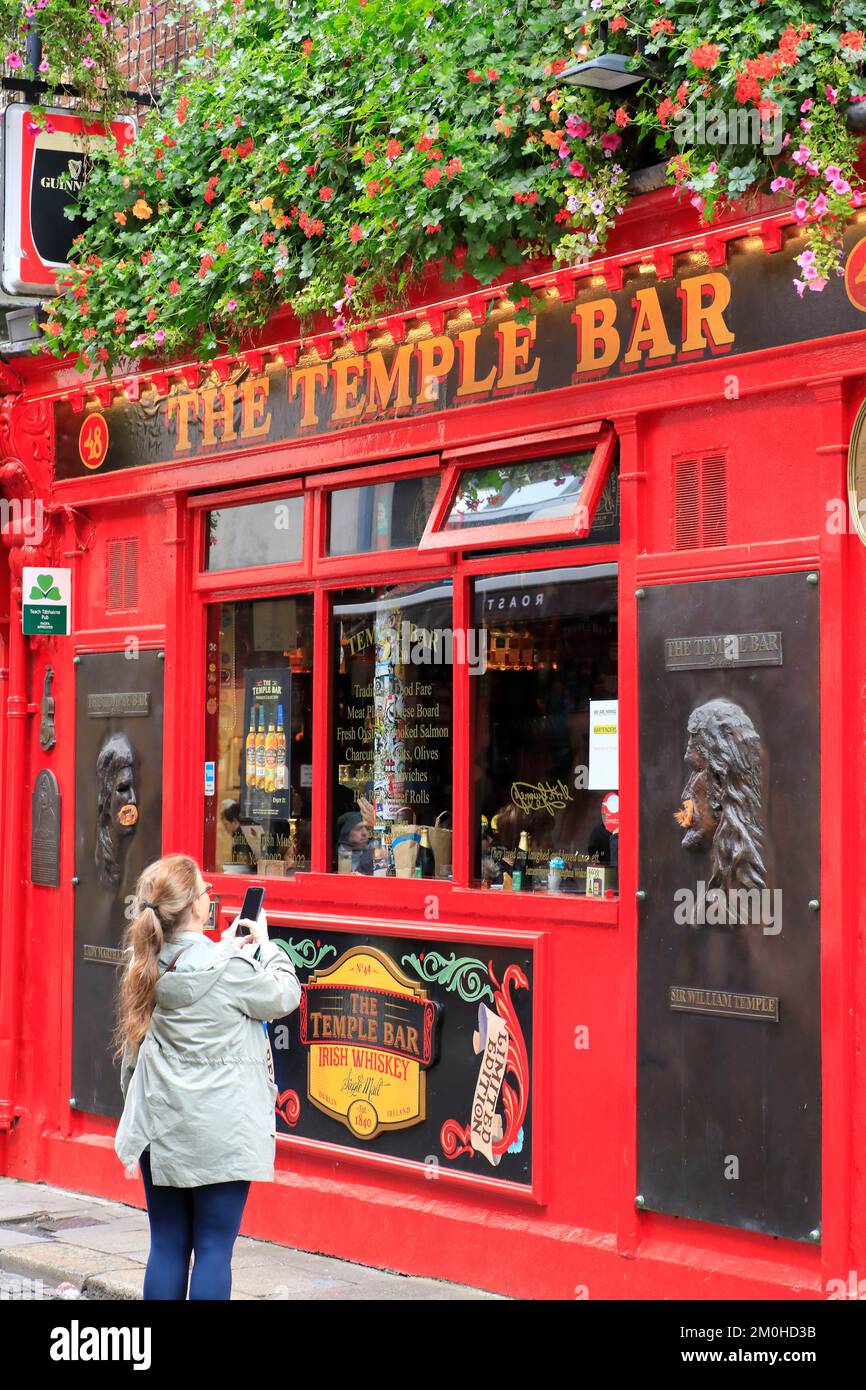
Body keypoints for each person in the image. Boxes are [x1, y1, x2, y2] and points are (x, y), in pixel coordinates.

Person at [112, 853, 301, 1300]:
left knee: (166, 1247)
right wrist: (264, 946)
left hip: (161, 1130)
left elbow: (131, 1060)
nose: (209, 897)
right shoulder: (233, 970)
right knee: (214, 1251)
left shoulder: (143, 966)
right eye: (205, 890)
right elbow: (285, 994)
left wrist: (225, 949)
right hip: (223, 1131)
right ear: (197, 908)